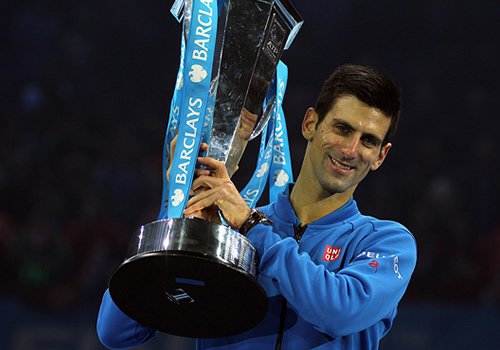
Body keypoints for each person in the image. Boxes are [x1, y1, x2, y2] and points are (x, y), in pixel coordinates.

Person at [97, 64, 417, 350]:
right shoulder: (230, 231)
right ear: (310, 123)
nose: (350, 149)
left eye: (368, 141)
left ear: (380, 156)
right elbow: (117, 332)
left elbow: (339, 311)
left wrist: (251, 227)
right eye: (342, 128)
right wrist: (177, 209)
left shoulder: (386, 242)